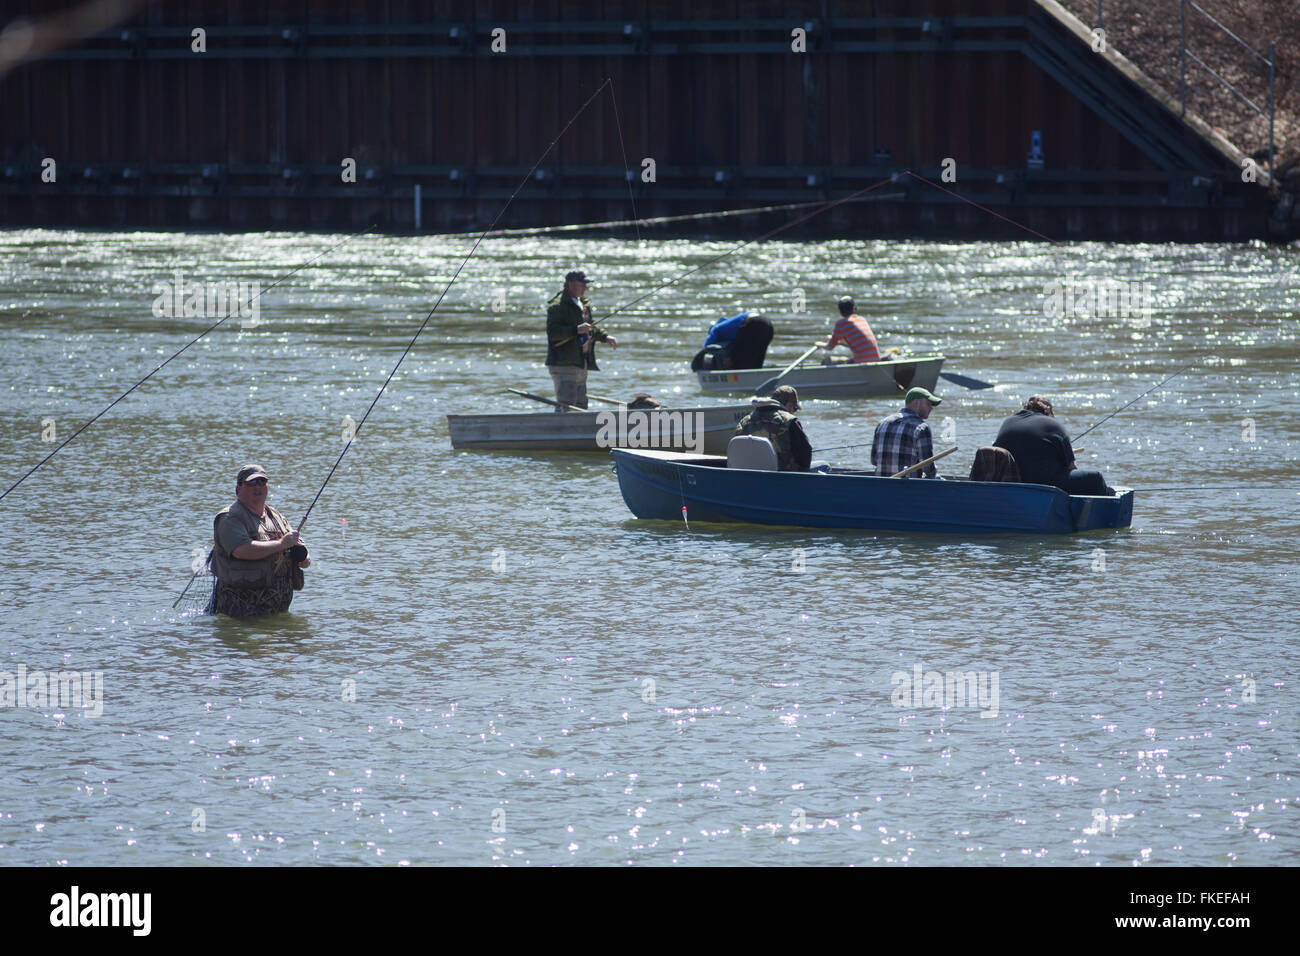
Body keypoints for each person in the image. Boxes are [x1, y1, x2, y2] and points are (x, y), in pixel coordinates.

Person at [207, 464, 310, 618]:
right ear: (238, 489)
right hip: (240, 614)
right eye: (251, 483)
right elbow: (242, 550)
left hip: (277, 611)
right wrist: (282, 544)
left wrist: (303, 557)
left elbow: (300, 552)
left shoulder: (275, 515)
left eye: (262, 482)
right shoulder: (230, 518)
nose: (258, 487)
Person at [993, 396, 1115, 495]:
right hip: (1044, 486)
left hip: (1010, 484)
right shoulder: (1054, 425)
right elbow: (1071, 468)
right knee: (1096, 478)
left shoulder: (1008, 421)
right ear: (1049, 411)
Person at [545, 270, 617, 410]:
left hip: (580, 362)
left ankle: (577, 431)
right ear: (570, 285)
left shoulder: (583, 303)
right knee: (567, 406)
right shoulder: (557, 306)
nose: (585, 288)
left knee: (581, 405)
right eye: (582, 284)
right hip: (563, 364)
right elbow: (553, 333)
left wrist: (604, 336)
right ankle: (561, 431)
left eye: (586, 285)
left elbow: (590, 326)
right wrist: (576, 330)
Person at [733, 385, 812, 471]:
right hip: (782, 478)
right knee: (823, 466)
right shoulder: (790, 421)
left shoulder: (744, 421)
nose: (794, 412)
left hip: (748, 474)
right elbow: (805, 455)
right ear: (789, 405)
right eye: (795, 408)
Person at [872, 386, 941, 477]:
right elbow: (928, 468)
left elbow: (874, 460)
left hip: (881, 487)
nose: (931, 408)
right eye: (928, 404)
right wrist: (934, 470)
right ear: (917, 403)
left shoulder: (882, 423)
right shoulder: (922, 428)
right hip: (909, 488)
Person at [691, 310, 773, 371]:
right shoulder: (730, 326)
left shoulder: (717, 330)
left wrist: (700, 356)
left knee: (733, 360)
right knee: (754, 365)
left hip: (753, 324)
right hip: (768, 325)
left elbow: (713, 335)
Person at [819, 296, 880, 365]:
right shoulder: (862, 319)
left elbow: (829, 347)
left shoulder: (841, 324)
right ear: (854, 309)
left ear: (840, 311)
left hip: (861, 363)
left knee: (827, 361)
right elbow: (854, 343)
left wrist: (819, 344)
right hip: (876, 360)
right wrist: (838, 342)